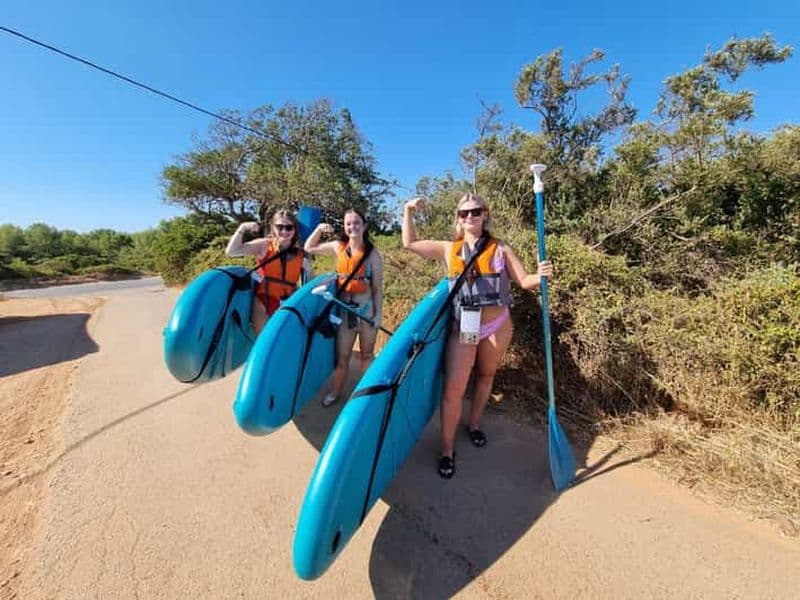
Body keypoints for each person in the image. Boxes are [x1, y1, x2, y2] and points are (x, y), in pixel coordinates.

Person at [402, 193, 553, 479]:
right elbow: (410, 243)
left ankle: (473, 424)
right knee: (453, 390)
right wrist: (408, 210)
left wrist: (542, 274)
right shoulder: (449, 248)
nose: (469, 216)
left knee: (486, 376)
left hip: (497, 325)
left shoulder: (500, 248)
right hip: (465, 328)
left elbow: (525, 281)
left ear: (485, 215)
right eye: (464, 213)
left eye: (475, 211)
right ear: (458, 219)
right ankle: (447, 449)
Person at [304, 208, 384, 407]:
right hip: (345, 312)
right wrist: (319, 229)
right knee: (342, 357)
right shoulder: (337, 246)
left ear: (364, 226)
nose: (352, 227)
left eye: (356, 222)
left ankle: (364, 399)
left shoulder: (373, 254)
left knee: (367, 355)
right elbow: (309, 247)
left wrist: (378, 315)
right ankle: (336, 392)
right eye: (348, 223)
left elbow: (377, 288)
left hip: (366, 313)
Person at [225, 209, 310, 335]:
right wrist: (243, 228)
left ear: (295, 230)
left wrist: (309, 269)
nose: (284, 231)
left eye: (289, 227)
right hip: (263, 301)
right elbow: (231, 252)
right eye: (279, 227)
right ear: (273, 228)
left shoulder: (301, 255)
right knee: (265, 339)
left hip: (289, 303)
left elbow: (310, 284)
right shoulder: (264, 246)